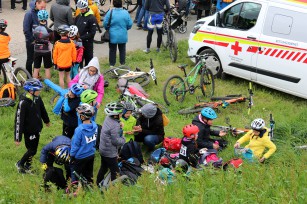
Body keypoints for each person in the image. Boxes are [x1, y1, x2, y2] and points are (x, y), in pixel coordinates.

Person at [14, 78, 50, 174]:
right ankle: (20, 164)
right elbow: (18, 121)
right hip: (28, 131)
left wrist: (47, 121)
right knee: (31, 150)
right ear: (31, 91)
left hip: (37, 129)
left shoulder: (37, 98)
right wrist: (18, 138)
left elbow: (42, 110)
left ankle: (28, 165)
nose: (40, 91)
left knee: (33, 149)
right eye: (38, 89)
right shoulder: (23, 103)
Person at [96, 102, 126, 185]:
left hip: (103, 149)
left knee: (104, 167)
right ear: (116, 115)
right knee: (115, 172)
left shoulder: (108, 118)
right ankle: (113, 188)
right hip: (110, 153)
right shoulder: (115, 126)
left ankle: (98, 183)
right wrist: (123, 138)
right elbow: (116, 141)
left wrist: (119, 124)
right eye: (120, 113)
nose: (122, 114)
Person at [70, 103, 97, 185]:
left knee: (75, 173)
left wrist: (72, 156)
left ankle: (74, 188)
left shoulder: (79, 129)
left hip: (80, 156)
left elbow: (75, 145)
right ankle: (89, 187)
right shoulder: (95, 126)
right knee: (89, 174)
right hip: (91, 154)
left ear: (82, 117)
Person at [103, 0, 132, 67]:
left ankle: (112, 65)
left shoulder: (110, 12)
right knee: (122, 50)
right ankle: (122, 63)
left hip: (112, 36)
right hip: (123, 35)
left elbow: (105, 23)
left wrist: (108, 29)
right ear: (122, 4)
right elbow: (130, 24)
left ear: (113, 4)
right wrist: (125, 29)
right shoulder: (125, 13)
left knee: (112, 50)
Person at [23, 0, 47, 76]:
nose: (43, 8)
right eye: (42, 7)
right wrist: (32, 41)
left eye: (44, 7)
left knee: (37, 59)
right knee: (30, 59)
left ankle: (36, 75)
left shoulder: (42, 12)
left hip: (40, 41)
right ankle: (29, 76)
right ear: (36, 3)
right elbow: (26, 30)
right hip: (31, 41)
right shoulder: (29, 14)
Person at [32, 10, 54, 82]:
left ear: (38, 18)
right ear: (46, 19)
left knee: (36, 68)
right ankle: (48, 86)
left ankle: (34, 84)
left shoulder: (35, 29)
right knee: (47, 68)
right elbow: (52, 40)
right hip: (46, 50)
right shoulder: (49, 30)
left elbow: (33, 38)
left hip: (37, 50)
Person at [75, 0, 97, 68]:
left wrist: (81, 38)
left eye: (83, 9)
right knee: (79, 61)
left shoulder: (92, 18)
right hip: (79, 43)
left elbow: (92, 33)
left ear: (86, 7)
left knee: (89, 62)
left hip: (88, 44)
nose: (81, 10)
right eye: (80, 9)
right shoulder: (78, 17)